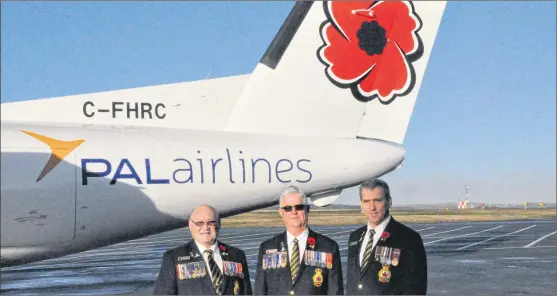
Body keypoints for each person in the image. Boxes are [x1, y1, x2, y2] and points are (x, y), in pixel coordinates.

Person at [254, 186, 343, 295]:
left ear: (307, 209)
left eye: (299, 207)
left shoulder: (328, 247)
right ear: (281, 212)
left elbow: (335, 292)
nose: (294, 212)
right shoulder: (267, 247)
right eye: (288, 208)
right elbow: (260, 292)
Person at [345, 179, 427, 295]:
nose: (372, 207)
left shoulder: (409, 238)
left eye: (377, 200)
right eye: (366, 201)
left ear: (389, 202)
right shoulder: (354, 237)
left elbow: (416, 289)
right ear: (361, 205)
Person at [153, 205, 252, 295]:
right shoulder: (173, 258)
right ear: (190, 226)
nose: (205, 227)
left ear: (218, 225)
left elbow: (246, 292)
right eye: (199, 223)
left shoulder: (237, 255)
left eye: (211, 222)